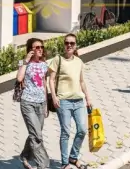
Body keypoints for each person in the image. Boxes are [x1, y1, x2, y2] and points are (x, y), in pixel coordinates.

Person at [49, 33, 92, 169]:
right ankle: (64, 163)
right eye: (67, 43)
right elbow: (51, 80)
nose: (69, 45)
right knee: (66, 132)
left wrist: (88, 98)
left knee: (82, 130)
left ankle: (73, 157)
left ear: (75, 45)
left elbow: (81, 81)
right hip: (63, 101)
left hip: (78, 100)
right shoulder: (57, 60)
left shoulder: (78, 61)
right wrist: (54, 97)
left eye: (72, 43)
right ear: (64, 44)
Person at [17, 38, 50, 169]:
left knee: (35, 133)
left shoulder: (44, 64)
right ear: (31, 49)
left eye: (42, 47)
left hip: (41, 103)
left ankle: (24, 155)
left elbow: (44, 84)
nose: (40, 49)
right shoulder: (23, 62)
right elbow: (19, 78)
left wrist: (46, 104)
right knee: (37, 136)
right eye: (37, 47)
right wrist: (26, 61)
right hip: (28, 102)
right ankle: (43, 165)